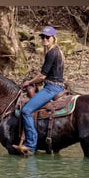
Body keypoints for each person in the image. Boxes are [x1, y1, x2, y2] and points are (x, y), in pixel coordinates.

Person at [13, 26, 65, 155]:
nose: (44, 39)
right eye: (43, 37)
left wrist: (29, 82)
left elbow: (42, 75)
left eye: (48, 37)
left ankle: (30, 144)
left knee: (26, 110)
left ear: (54, 38)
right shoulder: (57, 52)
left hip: (51, 88)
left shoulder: (52, 53)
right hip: (55, 85)